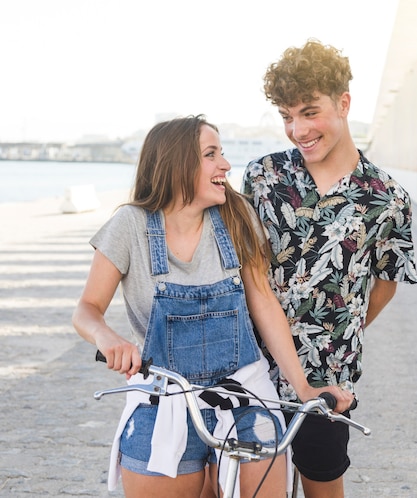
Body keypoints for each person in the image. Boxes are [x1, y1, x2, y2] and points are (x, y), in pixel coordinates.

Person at [72, 114, 353, 498]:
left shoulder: (236, 217)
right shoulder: (130, 225)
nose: (225, 164)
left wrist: (302, 387)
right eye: (211, 154)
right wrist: (109, 340)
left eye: (221, 153)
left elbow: (265, 305)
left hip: (246, 398)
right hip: (164, 400)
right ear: (176, 164)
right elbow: (87, 308)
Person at [242, 38, 417, 498]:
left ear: (343, 103)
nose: (298, 129)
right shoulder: (263, 177)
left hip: (328, 374)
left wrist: (341, 333)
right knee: (259, 489)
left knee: (323, 485)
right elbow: (246, 269)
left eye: (308, 111)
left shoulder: (389, 198)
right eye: (286, 116)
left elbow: (385, 285)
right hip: (251, 368)